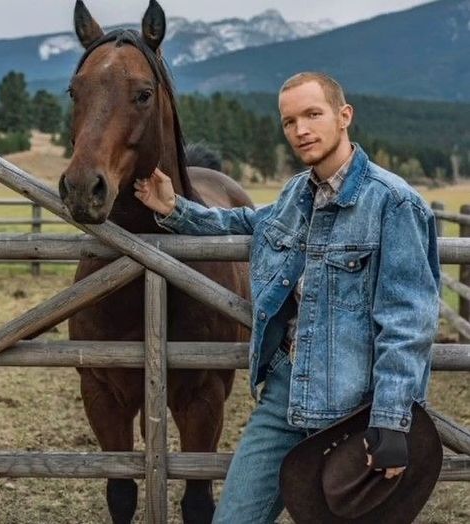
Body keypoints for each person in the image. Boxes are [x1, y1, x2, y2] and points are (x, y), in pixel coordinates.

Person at [134, 72, 440, 523]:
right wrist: (175, 209)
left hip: (353, 407)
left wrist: (391, 421)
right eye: (289, 121)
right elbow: (249, 223)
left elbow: (408, 321)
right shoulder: (297, 194)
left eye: (313, 114)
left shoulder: (394, 203)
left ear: (344, 116)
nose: (301, 130)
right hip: (284, 394)